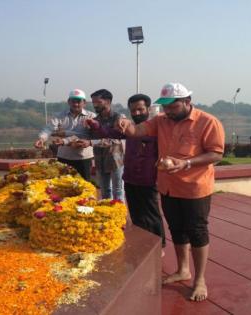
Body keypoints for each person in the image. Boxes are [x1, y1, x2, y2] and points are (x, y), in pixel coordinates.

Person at [116, 83, 225, 302]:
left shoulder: (207, 122)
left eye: (172, 106)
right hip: (168, 186)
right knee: (176, 229)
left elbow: (216, 154)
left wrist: (185, 163)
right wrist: (126, 125)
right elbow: (137, 131)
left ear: (186, 101)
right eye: (165, 106)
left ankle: (200, 279)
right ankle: (183, 270)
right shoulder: (161, 121)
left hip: (195, 187)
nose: (168, 111)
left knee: (197, 231)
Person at [87, 93, 165, 249]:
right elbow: (110, 133)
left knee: (151, 214)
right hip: (130, 177)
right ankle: (142, 244)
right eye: (133, 110)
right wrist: (96, 126)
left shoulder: (157, 127)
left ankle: (159, 246)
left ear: (148, 109)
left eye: (140, 109)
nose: (136, 113)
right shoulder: (128, 128)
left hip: (148, 179)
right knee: (136, 215)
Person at [34, 89, 95, 181]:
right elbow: (49, 128)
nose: (76, 104)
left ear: (84, 103)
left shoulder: (91, 117)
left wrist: (64, 135)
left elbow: (86, 135)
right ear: (68, 102)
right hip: (64, 156)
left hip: (84, 157)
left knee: (85, 185)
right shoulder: (60, 116)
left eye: (78, 101)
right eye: (73, 101)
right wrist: (42, 139)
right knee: (63, 185)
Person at [88, 89, 125, 200]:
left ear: (108, 101)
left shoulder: (118, 118)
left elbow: (115, 140)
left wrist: (91, 142)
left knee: (117, 191)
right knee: (104, 192)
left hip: (116, 159)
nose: (95, 105)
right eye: (93, 103)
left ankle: (119, 216)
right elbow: (91, 137)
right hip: (100, 159)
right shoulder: (94, 120)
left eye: (98, 102)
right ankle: (106, 215)